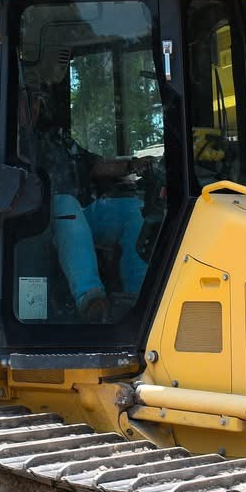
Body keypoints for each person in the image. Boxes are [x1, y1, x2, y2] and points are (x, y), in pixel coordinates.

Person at [22, 51, 149, 322]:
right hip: (38, 221)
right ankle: (91, 301)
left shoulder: (53, 137)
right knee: (65, 203)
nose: (33, 106)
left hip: (82, 211)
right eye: (27, 100)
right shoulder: (5, 142)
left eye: (36, 100)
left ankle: (139, 298)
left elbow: (93, 165)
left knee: (135, 209)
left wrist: (134, 165)